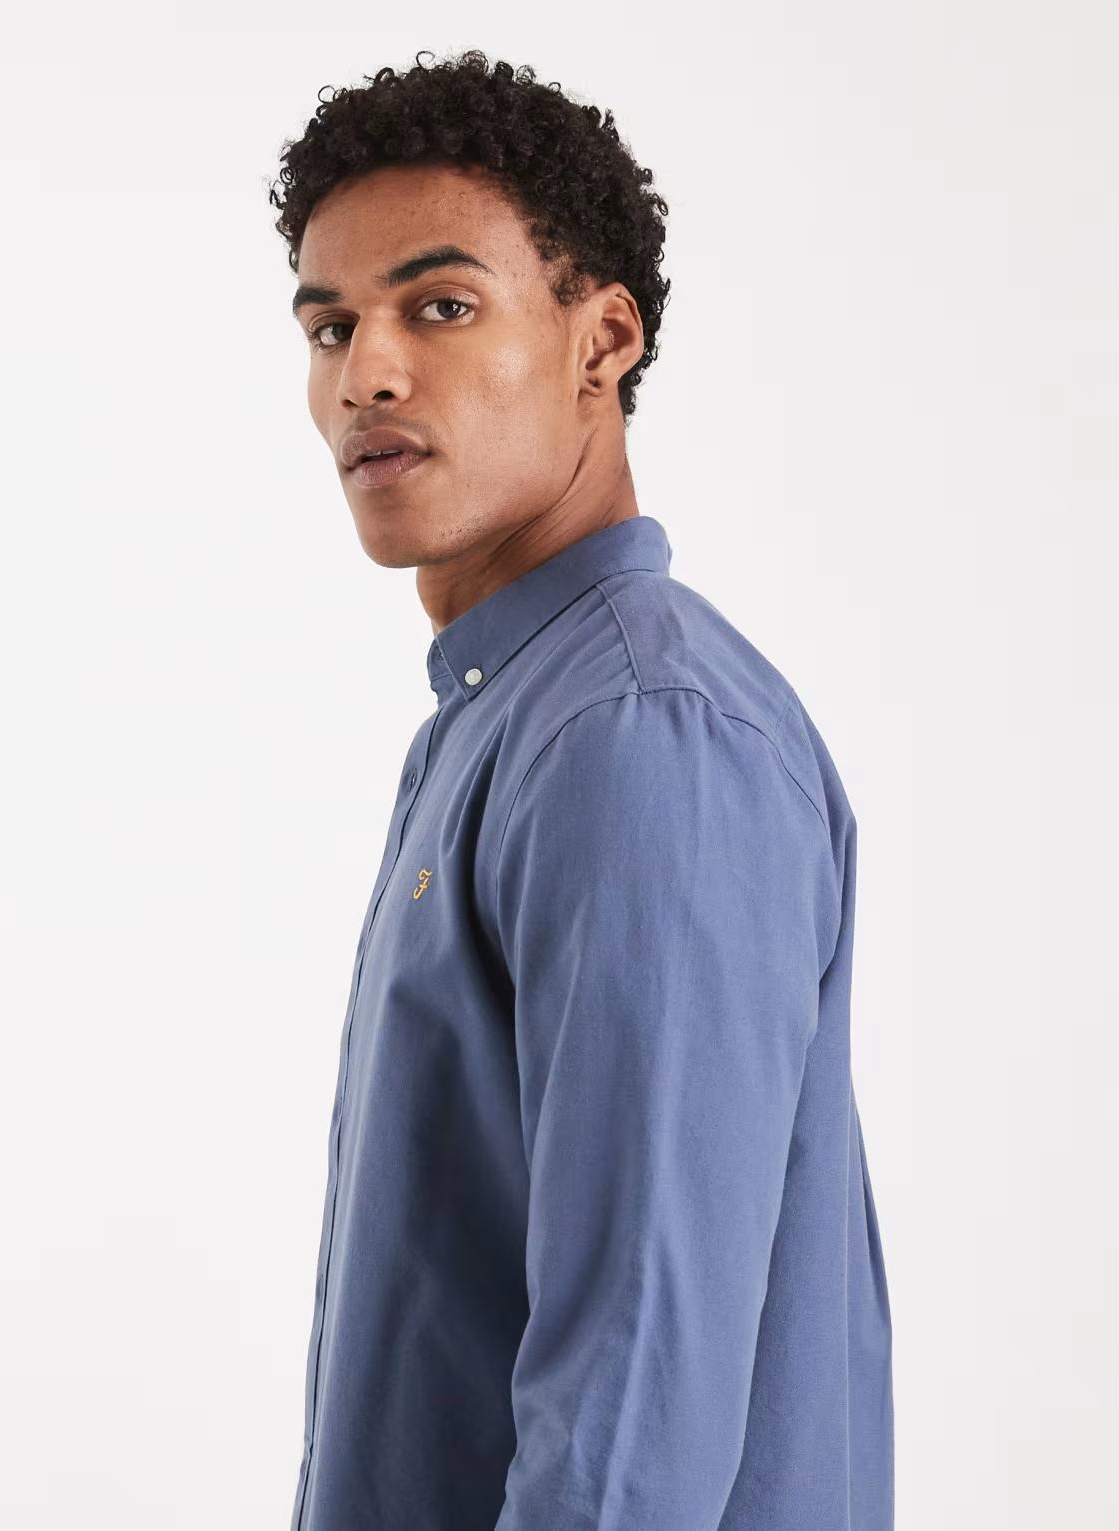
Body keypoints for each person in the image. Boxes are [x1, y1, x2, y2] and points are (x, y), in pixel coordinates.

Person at [269, 47, 893, 1531]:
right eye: (331, 325)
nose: (366, 373)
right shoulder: (506, 720)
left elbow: (632, 1409)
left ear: (600, 341)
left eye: (440, 306)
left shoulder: (637, 733)